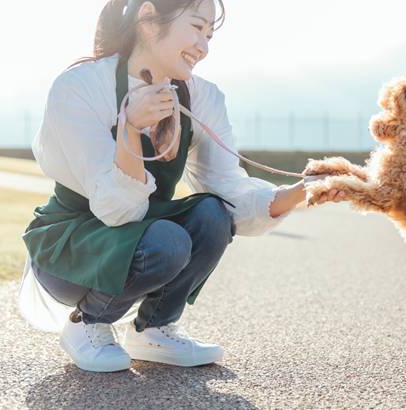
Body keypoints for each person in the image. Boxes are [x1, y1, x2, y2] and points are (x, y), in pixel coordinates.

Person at [19, 0, 346, 372]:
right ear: (147, 18)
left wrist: (301, 191)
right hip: (73, 246)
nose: (204, 46)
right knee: (167, 241)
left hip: (144, 233)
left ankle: (153, 329)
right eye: (195, 27)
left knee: (212, 214)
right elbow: (115, 210)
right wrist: (130, 128)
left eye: (209, 34)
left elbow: (228, 189)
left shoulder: (202, 97)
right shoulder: (79, 87)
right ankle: (88, 322)